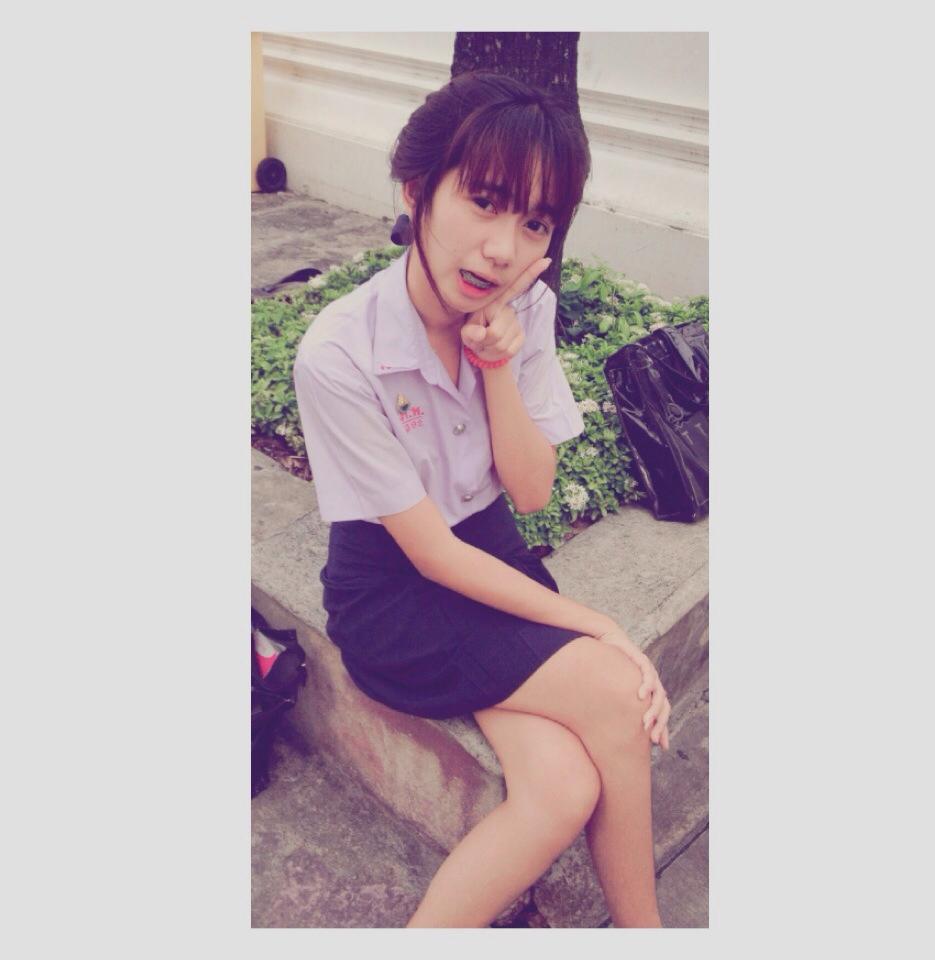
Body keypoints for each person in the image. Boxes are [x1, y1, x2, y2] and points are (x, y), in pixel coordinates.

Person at [293, 71, 671, 928]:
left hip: (491, 552)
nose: (503, 247)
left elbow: (531, 492)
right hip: (395, 594)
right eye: (485, 201)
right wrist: (601, 626)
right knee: (616, 691)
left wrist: (498, 364)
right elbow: (429, 554)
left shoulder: (524, 307)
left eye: (534, 221)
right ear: (416, 189)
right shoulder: (340, 354)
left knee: (563, 786)